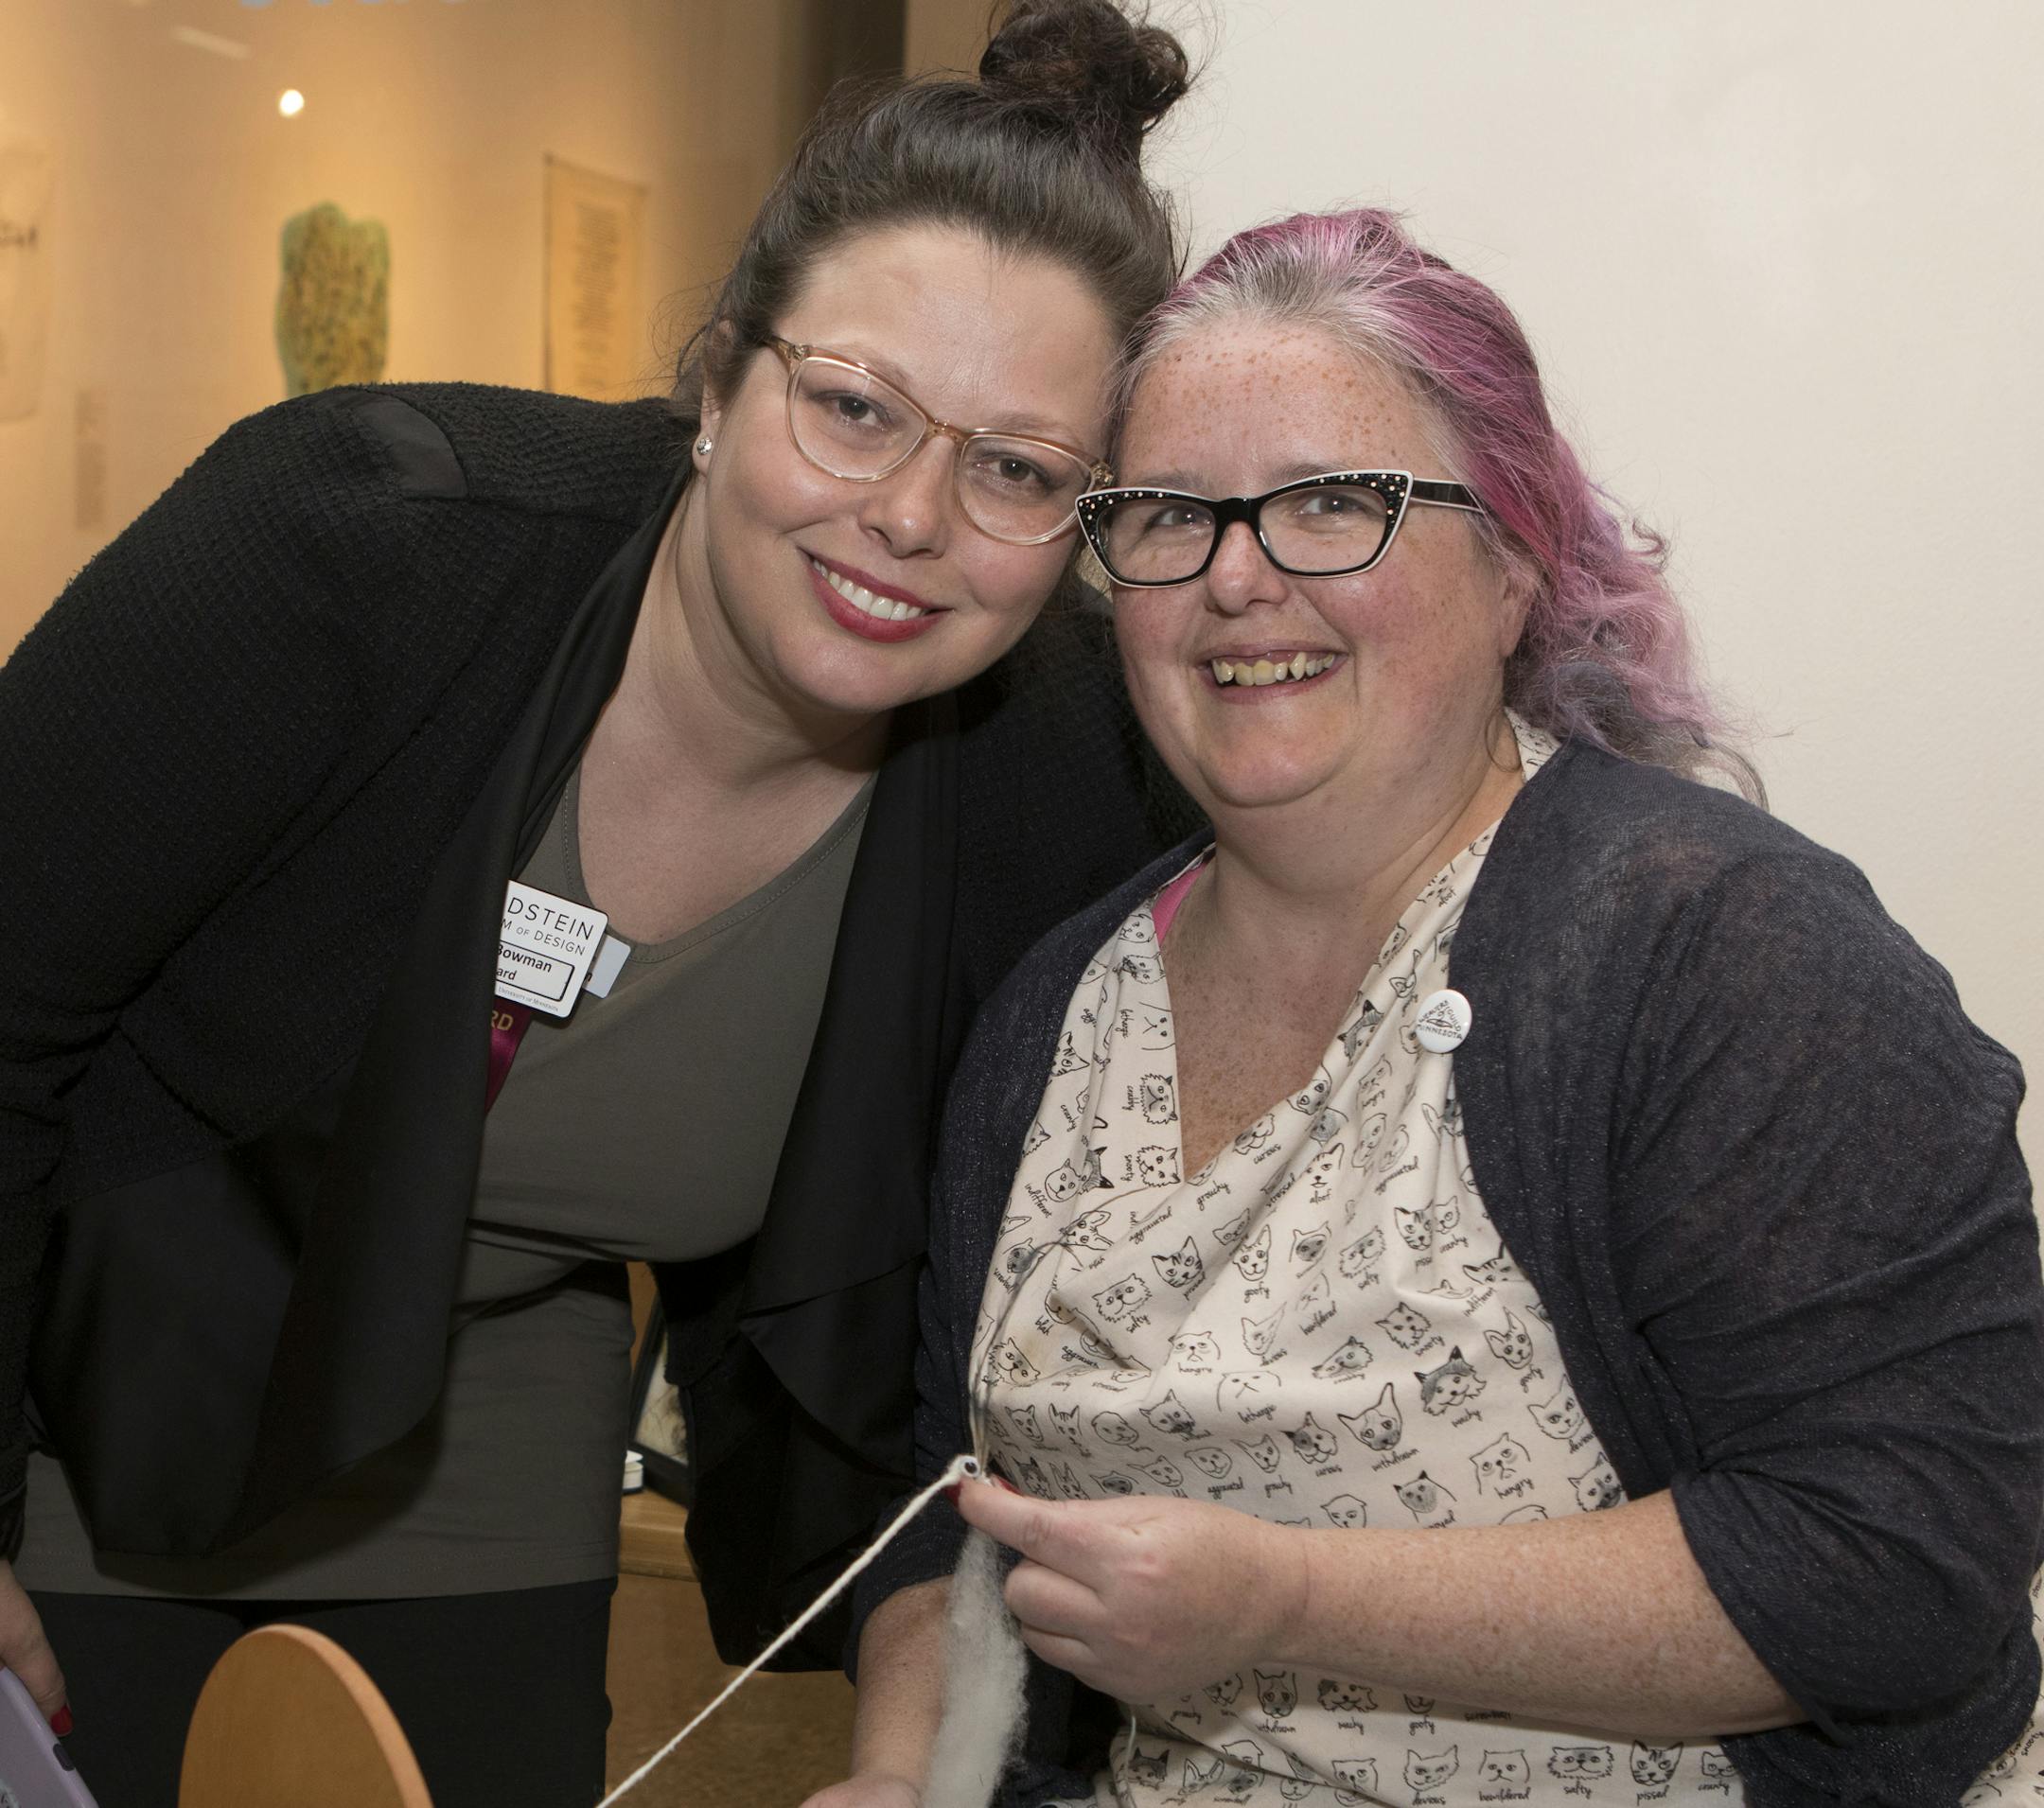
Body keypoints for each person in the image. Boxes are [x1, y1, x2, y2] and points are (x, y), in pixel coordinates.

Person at [0, 7, 1205, 1803]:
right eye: (855, 407)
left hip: (490, 1431)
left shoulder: (1059, 779)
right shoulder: (366, 543)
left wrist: (913, 1744)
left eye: (1018, 469)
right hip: (93, 1372)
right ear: (717, 386)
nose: (913, 517)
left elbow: (968, 1334)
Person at [837, 209, 2044, 1807]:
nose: (1239, 577)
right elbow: (953, 1520)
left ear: (1515, 566)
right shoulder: (1061, 1013)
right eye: (1170, 517)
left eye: (1335, 504)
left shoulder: (1725, 955)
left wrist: (1283, 1604)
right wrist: (901, 1779)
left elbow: (1897, 1568)